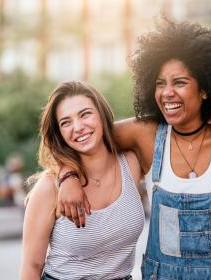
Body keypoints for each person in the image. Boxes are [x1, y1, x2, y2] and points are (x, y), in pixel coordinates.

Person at [58, 18, 211, 280]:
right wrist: (68, 175)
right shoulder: (145, 134)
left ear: (205, 89)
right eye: (159, 83)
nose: (167, 93)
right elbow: (83, 138)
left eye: (179, 82)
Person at [20, 81, 145, 280]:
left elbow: (160, 125)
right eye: (65, 122)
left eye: (85, 114)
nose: (78, 127)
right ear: (59, 133)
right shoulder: (49, 188)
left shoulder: (131, 163)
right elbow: (31, 267)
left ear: (102, 115)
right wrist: (67, 173)